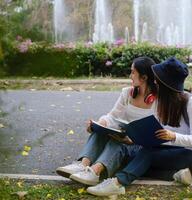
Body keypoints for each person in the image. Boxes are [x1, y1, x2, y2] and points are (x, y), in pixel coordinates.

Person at [86, 57, 192, 197]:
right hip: (168, 150)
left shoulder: (190, 103)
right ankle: (176, 175)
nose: (154, 81)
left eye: (158, 79)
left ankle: (118, 184)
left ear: (166, 83)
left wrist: (173, 136)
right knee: (131, 157)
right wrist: (133, 140)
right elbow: (156, 134)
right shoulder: (161, 101)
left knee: (146, 155)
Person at [56, 56, 157, 186]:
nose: (130, 76)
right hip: (125, 138)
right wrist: (102, 122)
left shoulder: (159, 101)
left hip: (140, 147)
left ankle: (95, 172)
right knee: (106, 128)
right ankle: (82, 165)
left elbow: (158, 134)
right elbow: (112, 116)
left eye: (133, 72)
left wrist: (132, 140)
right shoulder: (127, 93)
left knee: (120, 140)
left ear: (144, 78)